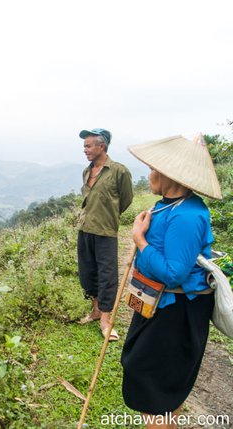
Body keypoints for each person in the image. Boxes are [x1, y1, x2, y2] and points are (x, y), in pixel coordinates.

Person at [121, 134, 222, 429]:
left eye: (153, 169)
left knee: (154, 390)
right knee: (153, 383)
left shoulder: (188, 216)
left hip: (176, 315)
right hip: (159, 308)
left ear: (169, 175)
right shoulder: (166, 206)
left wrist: (139, 240)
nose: (149, 174)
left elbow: (174, 273)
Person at [77, 128, 133, 341]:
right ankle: (96, 310)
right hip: (84, 229)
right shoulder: (86, 171)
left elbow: (126, 199)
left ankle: (106, 320)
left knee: (107, 275)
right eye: (84, 146)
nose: (85, 150)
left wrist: (108, 215)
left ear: (102, 146)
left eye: (89, 146)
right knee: (87, 272)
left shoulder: (119, 171)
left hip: (106, 231)